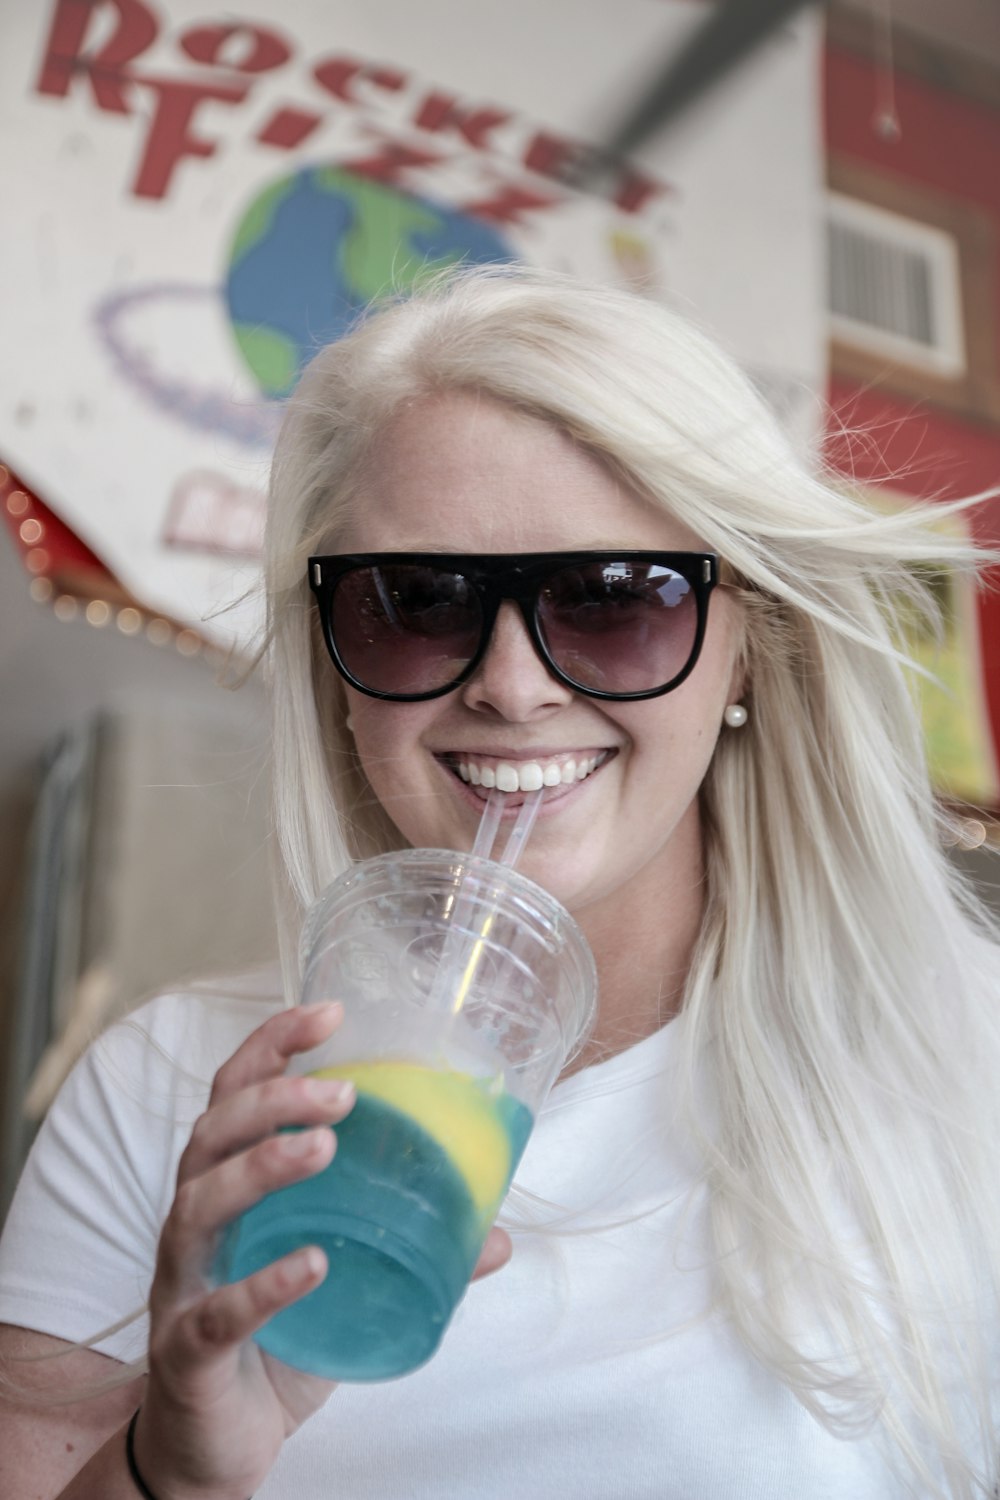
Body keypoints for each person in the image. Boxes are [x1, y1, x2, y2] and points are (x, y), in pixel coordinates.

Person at [1, 264, 998, 1499]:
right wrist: (166, 1471)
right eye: (415, 603)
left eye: (612, 600)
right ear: (334, 669)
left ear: (749, 647)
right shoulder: (160, 1096)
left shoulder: (968, 1062)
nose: (512, 687)